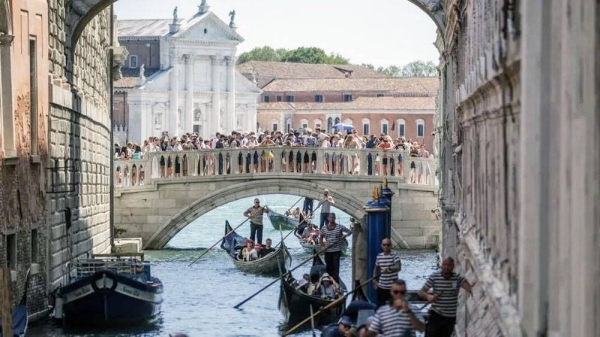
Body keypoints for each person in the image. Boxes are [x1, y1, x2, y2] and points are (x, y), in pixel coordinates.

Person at [418, 257, 473, 337]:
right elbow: (421, 292)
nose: (446, 267)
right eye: (444, 265)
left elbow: (469, 288)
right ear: (441, 265)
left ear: (453, 266)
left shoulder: (457, 278)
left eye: (449, 265)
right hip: (436, 316)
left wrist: (472, 290)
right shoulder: (434, 277)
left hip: (450, 318)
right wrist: (428, 296)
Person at [320, 213, 351, 283]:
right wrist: (322, 246)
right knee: (328, 267)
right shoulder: (324, 228)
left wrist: (344, 236)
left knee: (336, 268)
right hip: (328, 250)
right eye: (330, 217)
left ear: (335, 219)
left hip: (336, 250)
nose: (331, 219)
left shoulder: (340, 227)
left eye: (332, 218)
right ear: (328, 218)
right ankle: (329, 282)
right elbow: (321, 238)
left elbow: (349, 231)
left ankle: (336, 283)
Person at [373, 238, 402, 307]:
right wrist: (374, 280)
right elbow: (376, 268)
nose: (386, 246)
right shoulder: (379, 256)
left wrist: (389, 268)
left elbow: (398, 267)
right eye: (384, 245)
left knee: (394, 307)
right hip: (381, 287)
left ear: (391, 245)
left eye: (388, 245)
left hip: (393, 288)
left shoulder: (394, 255)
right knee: (380, 307)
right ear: (381, 246)